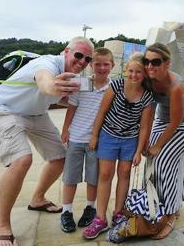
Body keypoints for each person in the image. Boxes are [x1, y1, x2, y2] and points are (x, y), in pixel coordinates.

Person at [0, 37, 93, 246]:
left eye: (87, 59)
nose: (82, 61)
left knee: (61, 157)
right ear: (66, 52)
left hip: (36, 114)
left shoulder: (72, 76)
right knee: (22, 160)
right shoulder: (47, 64)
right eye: (78, 55)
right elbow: (45, 82)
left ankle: (38, 199)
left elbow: (61, 98)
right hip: (6, 110)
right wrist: (53, 86)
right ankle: (1, 226)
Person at [83, 53, 154, 240]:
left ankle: (118, 212)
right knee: (105, 174)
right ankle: (100, 218)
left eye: (138, 72)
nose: (134, 75)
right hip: (108, 135)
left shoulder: (146, 97)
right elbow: (102, 112)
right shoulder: (115, 86)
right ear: (125, 70)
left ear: (144, 74)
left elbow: (145, 126)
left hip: (130, 139)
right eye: (131, 70)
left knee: (124, 174)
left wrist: (139, 151)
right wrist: (94, 136)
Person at [142, 43, 184, 240]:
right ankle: (156, 202)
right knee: (151, 161)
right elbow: (147, 113)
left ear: (167, 63)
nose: (150, 66)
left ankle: (170, 215)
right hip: (162, 120)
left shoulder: (176, 85)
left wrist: (158, 145)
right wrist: (146, 141)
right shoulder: (148, 80)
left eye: (155, 62)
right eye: (146, 61)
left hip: (183, 125)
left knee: (164, 162)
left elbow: (176, 122)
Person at [59, 48, 115, 233]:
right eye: (97, 64)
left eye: (106, 64)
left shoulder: (113, 87)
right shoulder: (81, 83)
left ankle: (90, 208)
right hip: (75, 137)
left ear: (112, 66)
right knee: (70, 177)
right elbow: (72, 107)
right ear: (91, 65)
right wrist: (66, 129)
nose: (101, 67)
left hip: (97, 141)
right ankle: (66, 211)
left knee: (93, 177)